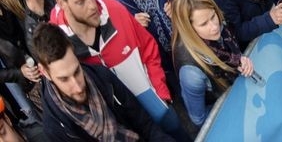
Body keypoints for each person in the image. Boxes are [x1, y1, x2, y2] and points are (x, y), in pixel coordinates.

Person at [46, 0, 176, 125]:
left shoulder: (114, 9)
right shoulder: (55, 44)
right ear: (61, 3)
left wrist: (160, 94)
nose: (92, 5)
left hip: (153, 104)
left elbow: (148, 47)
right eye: (81, 2)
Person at [32, 22, 175, 141]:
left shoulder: (102, 75)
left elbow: (144, 123)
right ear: (44, 72)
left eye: (76, 71)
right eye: (64, 79)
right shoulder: (54, 127)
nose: (77, 87)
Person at [170, 0, 255, 128]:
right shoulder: (191, 72)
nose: (214, 26)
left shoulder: (218, 22)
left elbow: (232, 50)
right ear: (189, 28)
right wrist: (231, 105)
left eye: (213, 16)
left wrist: (241, 60)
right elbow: (199, 119)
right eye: (204, 24)